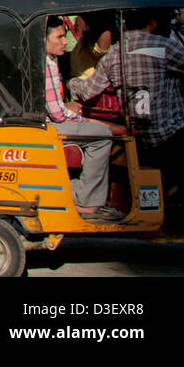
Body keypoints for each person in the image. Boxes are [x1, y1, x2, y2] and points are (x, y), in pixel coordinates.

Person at [70, 6, 184, 209]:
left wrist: (71, 83)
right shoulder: (163, 47)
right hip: (169, 135)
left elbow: (87, 91)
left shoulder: (114, 54)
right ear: (152, 22)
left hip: (137, 136)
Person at [44, 16, 123, 220]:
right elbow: (58, 114)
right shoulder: (46, 64)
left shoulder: (52, 60)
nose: (65, 42)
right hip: (49, 126)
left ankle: (76, 190)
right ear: (44, 40)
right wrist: (89, 121)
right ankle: (87, 203)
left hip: (52, 121)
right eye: (60, 37)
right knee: (103, 135)